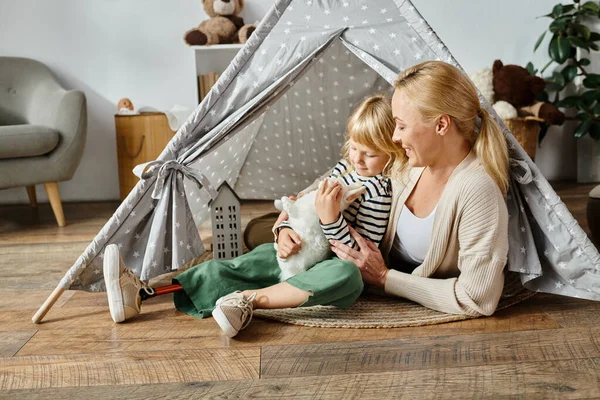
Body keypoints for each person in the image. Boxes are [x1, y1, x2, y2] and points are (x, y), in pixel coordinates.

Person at [102, 95, 401, 338]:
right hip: (303, 253)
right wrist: (284, 230)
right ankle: (142, 293)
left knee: (345, 277)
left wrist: (330, 219)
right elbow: (301, 206)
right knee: (252, 259)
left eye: (370, 154)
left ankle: (246, 301)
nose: (357, 159)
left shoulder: (379, 190)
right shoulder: (344, 168)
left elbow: (358, 257)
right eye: (354, 149)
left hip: (335, 267)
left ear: (392, 152)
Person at [322, 61, 510, 317]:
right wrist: (288, 218)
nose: (395, 137)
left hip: (365, 278)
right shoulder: (408, 162)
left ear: (441, 125)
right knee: (267, 239)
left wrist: (384, 278)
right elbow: (347, 169)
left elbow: (477, 299)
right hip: (337, 245)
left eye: (401, 125)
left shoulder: (477, 190)